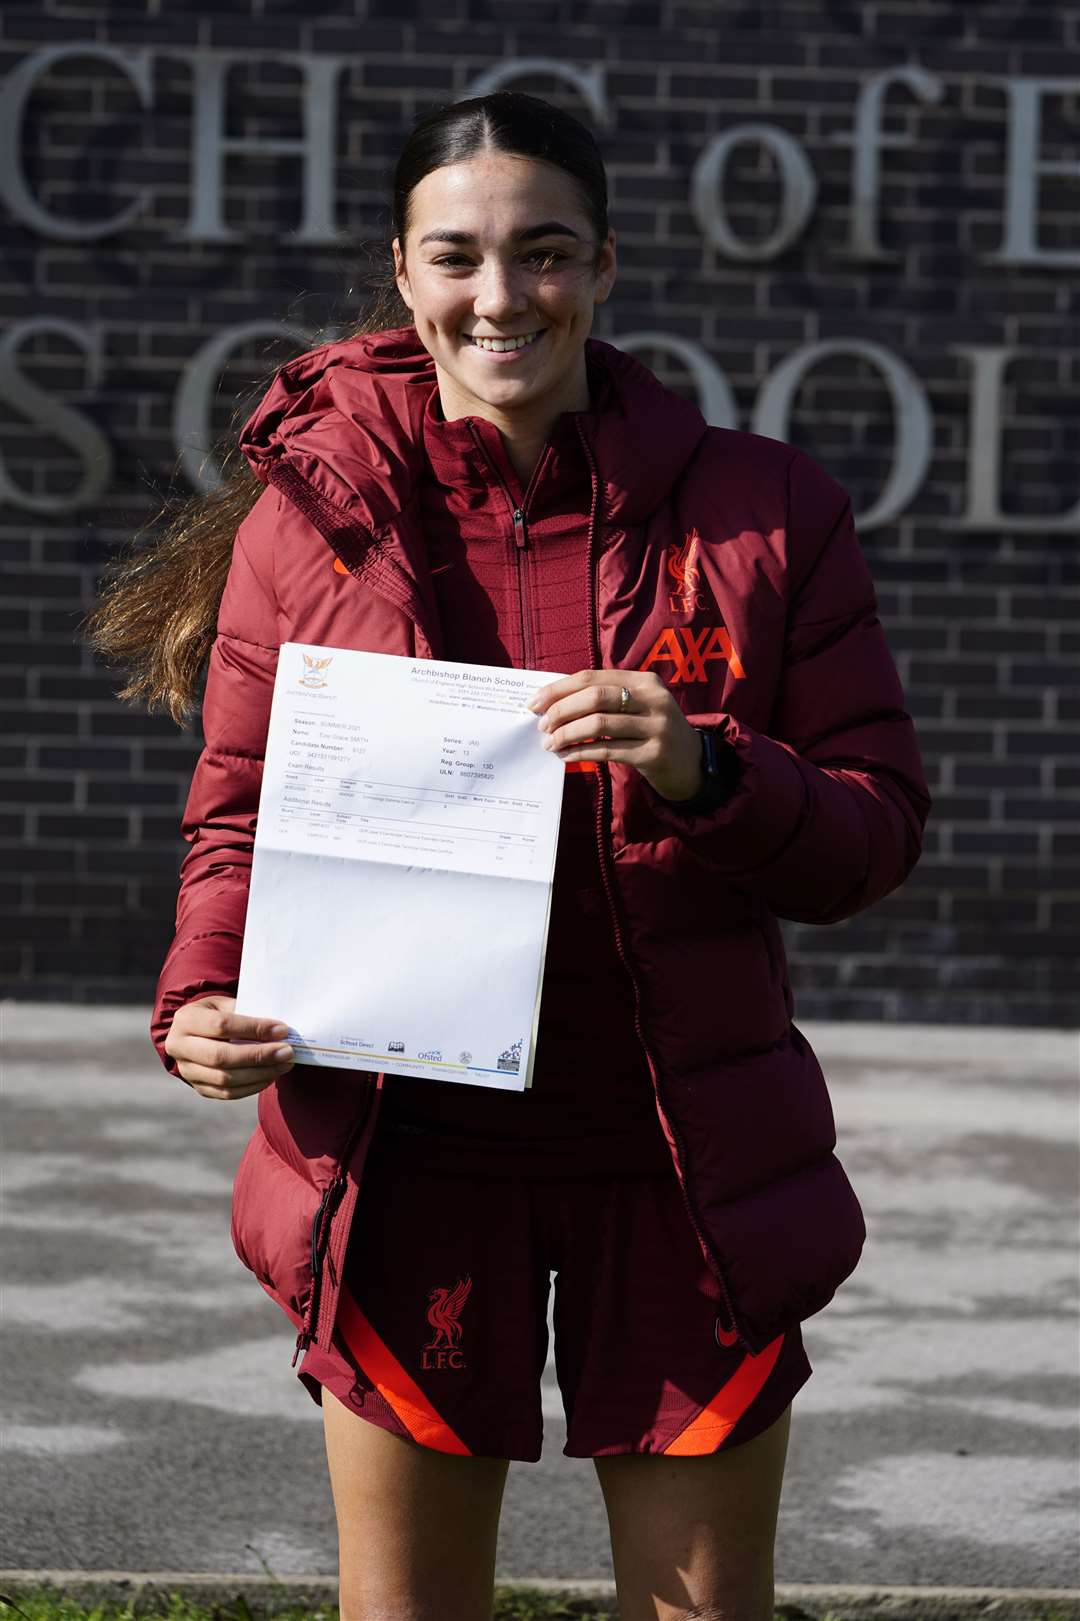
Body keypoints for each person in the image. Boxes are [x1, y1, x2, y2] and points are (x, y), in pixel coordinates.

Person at [85, 90, 931, 1621]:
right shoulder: (315, 519)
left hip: (679, 1166)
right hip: (408, 1161)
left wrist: (704, 764)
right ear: (404, 277)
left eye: (542, 253)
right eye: (457, 256)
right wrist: (202, 992)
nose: (500, 294)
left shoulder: (764, 510)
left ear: (605, 268)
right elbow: (240, 815)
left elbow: (875, 829)